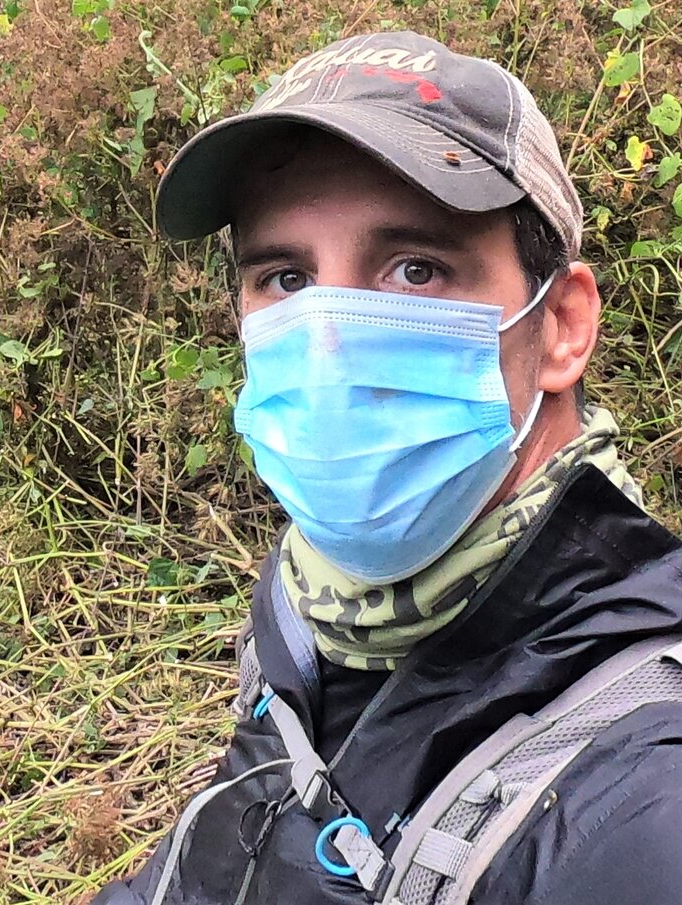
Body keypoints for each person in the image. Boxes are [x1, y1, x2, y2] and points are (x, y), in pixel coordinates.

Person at [92, 30, 682, 905]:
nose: (331, 346)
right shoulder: (311, 603)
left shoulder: (641, 800)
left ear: (561, 324)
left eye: (415, 269)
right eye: (287, 279)